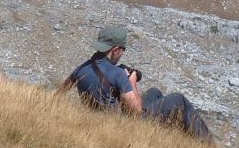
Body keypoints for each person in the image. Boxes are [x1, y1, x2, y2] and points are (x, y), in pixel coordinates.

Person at [57, 26, 211, 141]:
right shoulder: (117, 74)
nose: (122, 53)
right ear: (116, 50)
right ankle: (207, 145)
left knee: (155, 92)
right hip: (120, 124)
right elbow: (136, 112)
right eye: (122, 49)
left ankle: (163, 136)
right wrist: (131, 81)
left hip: (103, 115)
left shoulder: (82, 68)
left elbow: (60, 93)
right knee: (179, 99)